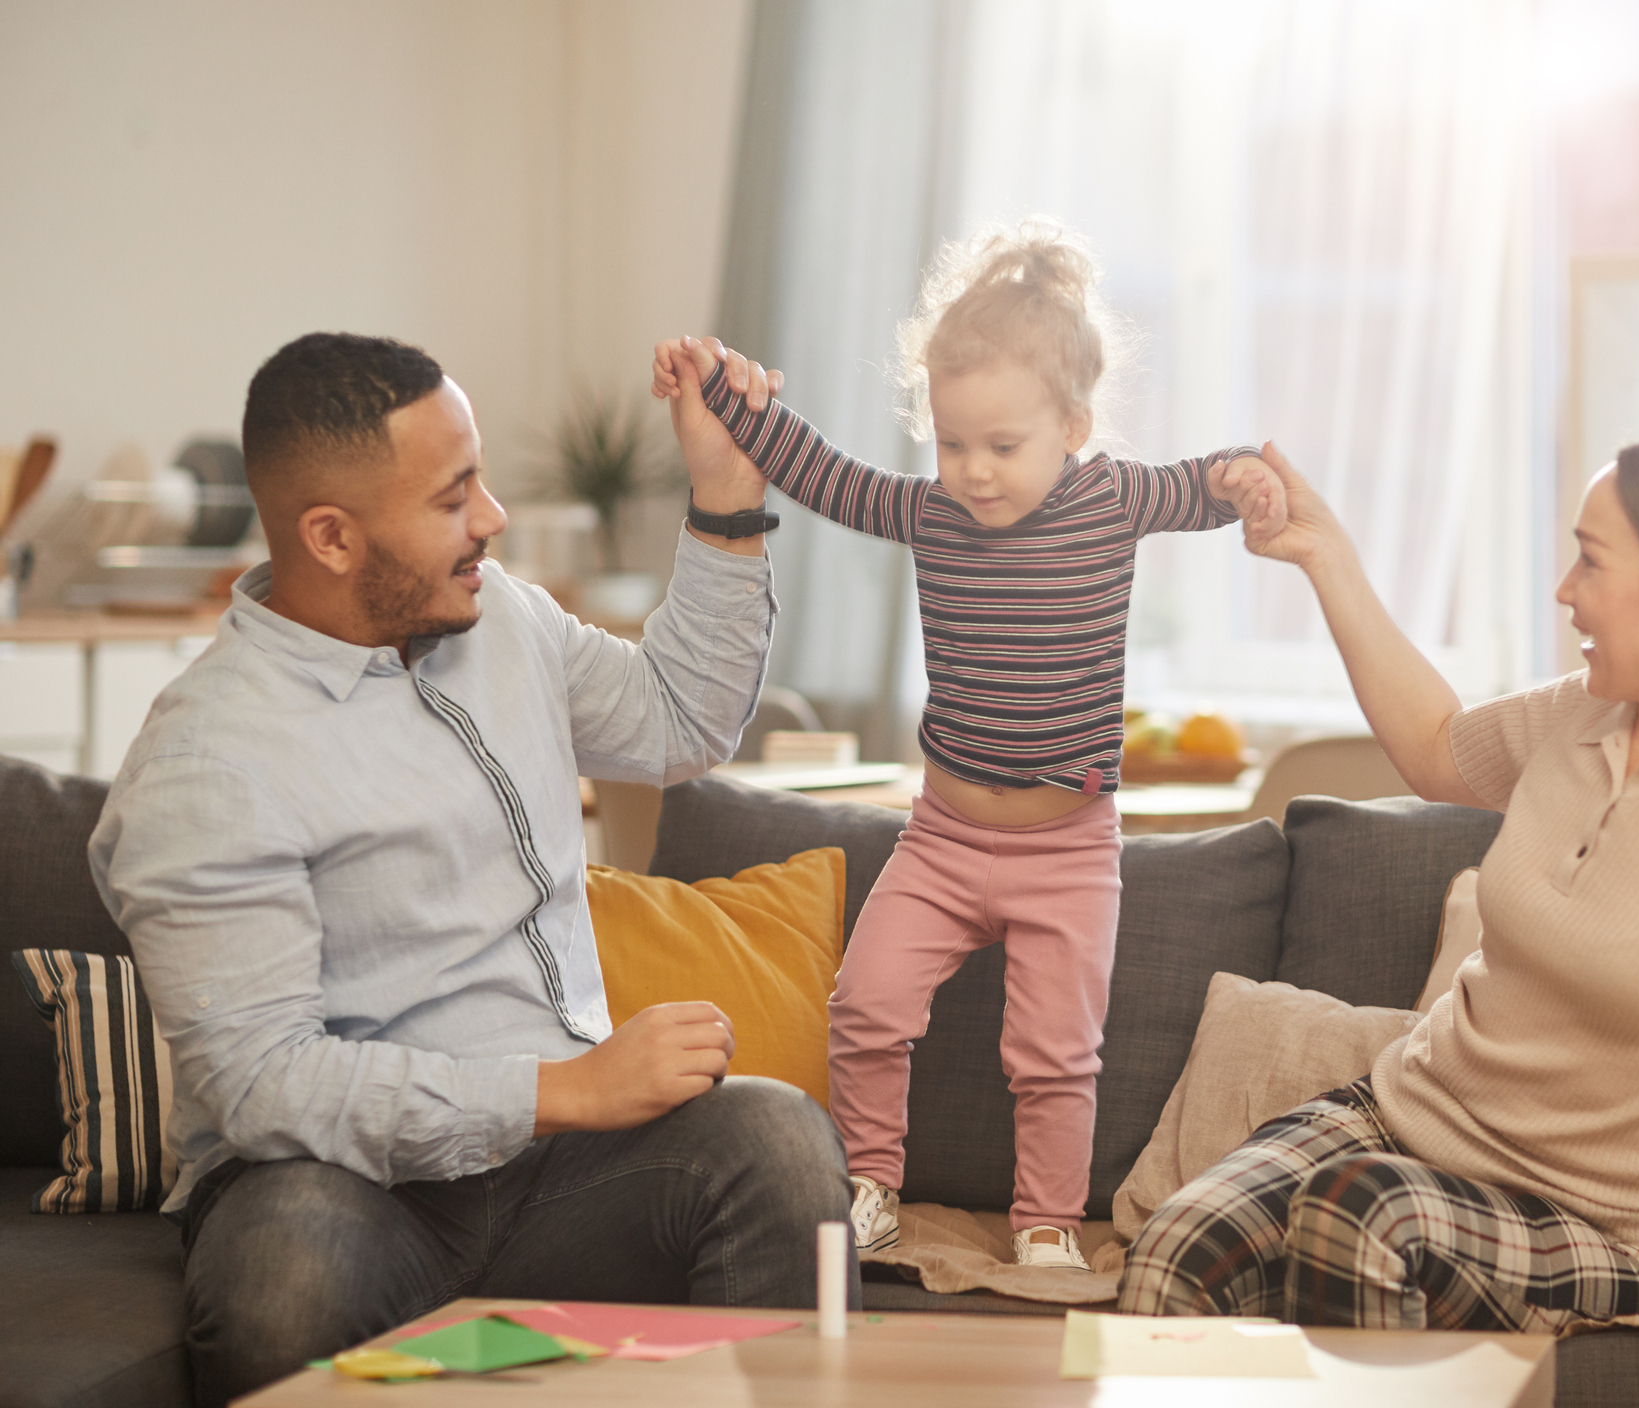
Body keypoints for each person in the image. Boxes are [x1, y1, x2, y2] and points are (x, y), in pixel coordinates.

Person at [1116, 427, 1639, 1404]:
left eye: (1592, 560)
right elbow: (1438, 747)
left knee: (1360, 1219)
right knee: (1175, 1253)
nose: (1566, 589)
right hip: (1411, 1120)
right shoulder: (1586, 712)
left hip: (1598, 1221)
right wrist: (1326, 554)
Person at [89, 332, 852, 1407]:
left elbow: (680, 723)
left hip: (564, 1172)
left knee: (775, 1139)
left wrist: (727, 496)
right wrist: (565, 1088)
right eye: (453, 499)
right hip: (340, 1189)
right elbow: (265, 1085)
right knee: (285, 1274)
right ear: (332, 536)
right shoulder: (206, 762)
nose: (491, 517)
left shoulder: (508, 623)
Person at [653, 221, 1286, 1271]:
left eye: (1004, 446)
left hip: (1069, 845)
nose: (975, 473)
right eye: (952, 444)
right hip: (943, 837)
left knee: (1051, 1056)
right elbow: (819, 472)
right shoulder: (933, 511)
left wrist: (1248, 478)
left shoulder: (1114, 497)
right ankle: (868, 1183)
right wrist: (723, 395)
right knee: (863, 1004)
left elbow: (1203, 482)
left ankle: (1046, 1221)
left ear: (1074, 423)